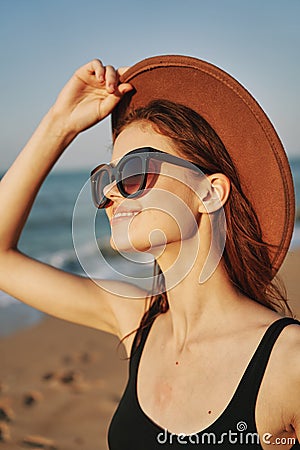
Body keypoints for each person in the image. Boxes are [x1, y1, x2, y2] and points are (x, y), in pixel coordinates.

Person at [0, 55, 299, 449]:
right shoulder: (137, 323)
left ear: (209, 192)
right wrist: (61, 124)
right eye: (105, 178)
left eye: (133, 173)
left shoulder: (288, 362)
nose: (109, 193)